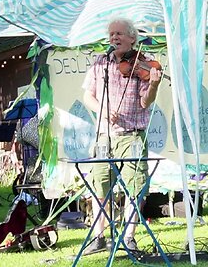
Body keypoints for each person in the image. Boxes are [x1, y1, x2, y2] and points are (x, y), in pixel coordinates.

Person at [82, 17, 161, 254]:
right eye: (111, 35)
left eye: (119, 34)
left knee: (134, 187)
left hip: (132, 135)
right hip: (104, 135)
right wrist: (103, 110)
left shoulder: (144, 64)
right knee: (100, 185)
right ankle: (99, 237)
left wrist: (155, 85)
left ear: (132, 38)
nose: (114, 38)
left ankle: (129, 236)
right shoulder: (100, 63)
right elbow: (88, 96)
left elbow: (145, 102)